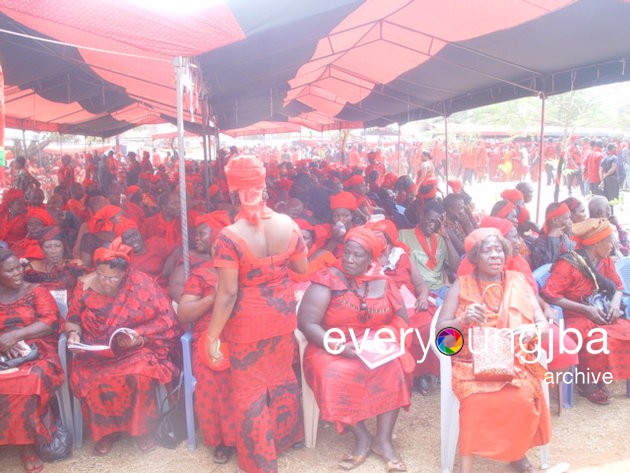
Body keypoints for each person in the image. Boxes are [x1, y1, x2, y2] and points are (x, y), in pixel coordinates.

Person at [204, 155, 307, 473]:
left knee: (249, 390)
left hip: (248, 324)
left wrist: (211, 335)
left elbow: (228, 293)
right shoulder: (290, 225)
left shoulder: (228, 237)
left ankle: (259, 463)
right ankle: (284, 439)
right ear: (264, 189)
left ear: (234, 192)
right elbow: (301, 269)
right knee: (279, 379)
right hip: (282, 315)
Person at [437, 228, 551, 473]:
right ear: (475, 257)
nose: (494, 255)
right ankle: (466, 465)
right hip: (470, 365)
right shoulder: (462, 284)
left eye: (498, 249)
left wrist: (533, 330)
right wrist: (462, 320)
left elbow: (544, 325)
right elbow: (442, 335)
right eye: (487, 250)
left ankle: (517, 453)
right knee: (476, 400)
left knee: (523, 398)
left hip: (516, 362)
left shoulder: (518, 282)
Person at [298, 226, 411, 472]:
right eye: (347, 253)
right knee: (333, 375)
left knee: (394, 367)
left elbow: (402, 318)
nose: (349, 259)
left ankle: (383, 440)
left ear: (371, 259)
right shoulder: (328, 278)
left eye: (357, 256)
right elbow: (307, 323)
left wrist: (385, 339)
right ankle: (361, 436)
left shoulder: (384, 282)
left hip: (373, 346)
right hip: (329, 345)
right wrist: (337, 347)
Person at [65, 243, 182, 456]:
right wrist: (73, 335)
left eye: (112, 278)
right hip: (94, 350)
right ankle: (106, 433)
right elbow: (72, 319)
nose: (106, 282)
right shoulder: (83, 286)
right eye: (101, 275)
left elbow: (166, 319)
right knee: (89, 377)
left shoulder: (140, 283)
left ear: (124, 274)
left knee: (139, 373)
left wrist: (141, 338)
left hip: (133, 351)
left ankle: (142, 431)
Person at [541, 218, 630, 405]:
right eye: (609, 241)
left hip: (602, 311)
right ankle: (587, 382)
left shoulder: (605, 261)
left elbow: (618, 287)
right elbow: (550, 295)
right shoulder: (568, 264)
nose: (614, 245)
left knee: (625, 333)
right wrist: (586, 309)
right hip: (576, 315)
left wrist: (614, 304)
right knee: (599, 340)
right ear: (597, 242)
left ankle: (601, 377)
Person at [177, 215, 236, 465]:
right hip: (210, 337)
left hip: (245, 334)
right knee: (215, 377)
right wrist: (214, 297)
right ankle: (224, 439)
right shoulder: (201, 275)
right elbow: (184, 313)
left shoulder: (249, 271)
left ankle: (260, 433)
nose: (221, 250)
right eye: (217, 245)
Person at [0, 249, 65, 473]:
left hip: (39, 351)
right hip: (2, 354)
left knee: (27, 383)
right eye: (10, 271)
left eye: (18, 267)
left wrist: (15, 336)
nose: (18, 273)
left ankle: (26, 446)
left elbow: (49, 322)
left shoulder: (36, 291)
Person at [398, 199, 460, 300]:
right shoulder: (403, 235)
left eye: (437, 223)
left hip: (440, 288)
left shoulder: (441, 239)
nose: (433, 226)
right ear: (421, 215)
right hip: (417, 289)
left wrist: (446, 238)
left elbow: (457, 268)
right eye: (430, 220)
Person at [23, 226, 86, 299]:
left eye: (57, 246)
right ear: (42, 249)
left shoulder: (75, 265)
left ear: (63, 247)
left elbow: (83, 290)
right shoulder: (33, 267)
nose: (54, 251)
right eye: (48, 247)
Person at [530, 202, 574, 270]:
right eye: (567, 218)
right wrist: (553, 239)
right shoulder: (540, 243)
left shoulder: (564, 237)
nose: (571, 222)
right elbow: (547, 268)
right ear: (555, 220)